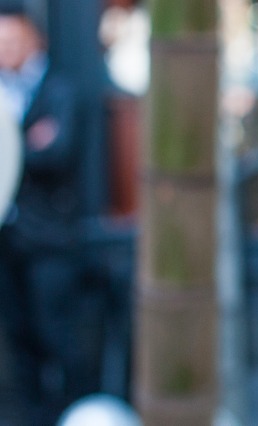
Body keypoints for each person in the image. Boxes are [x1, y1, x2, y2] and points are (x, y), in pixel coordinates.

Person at [0, 7, 91, 425]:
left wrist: (14, 148)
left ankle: (72, 413)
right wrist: (27, 142)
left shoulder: (59, 90)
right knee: (20, 338)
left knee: (57, 335)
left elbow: (58, 152)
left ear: (34, 41)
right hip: (9, 239)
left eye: (13, 41)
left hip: (50, 239)